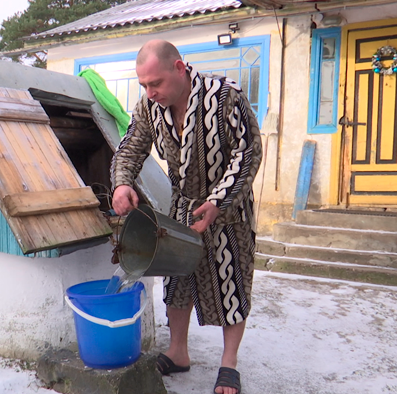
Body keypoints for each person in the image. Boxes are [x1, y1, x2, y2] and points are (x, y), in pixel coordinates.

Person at [110, 39, 262, 394]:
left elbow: (249, 151)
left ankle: (229, 364)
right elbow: (131, 146)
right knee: (176, 282)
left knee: (232, 282)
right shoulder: (150, 107)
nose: (150, 92)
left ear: (179, 68)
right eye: (144, 85)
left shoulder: (226, 97)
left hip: (228, 207)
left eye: (156, 83)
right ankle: (178, 352)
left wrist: (218, 201)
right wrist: (121, 184)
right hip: (182, 206)